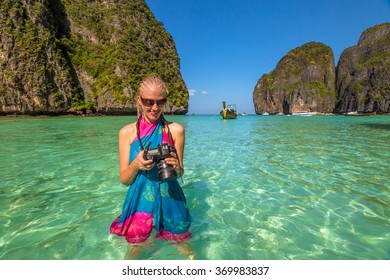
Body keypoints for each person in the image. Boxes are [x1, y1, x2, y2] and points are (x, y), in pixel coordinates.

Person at [110, 76, 192, 248]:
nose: (155, 108)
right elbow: (124, 180)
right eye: (149, 102)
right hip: (140, 201)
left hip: (170, 199)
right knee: (135, 255)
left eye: (160, 102)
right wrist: (136, 165)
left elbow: (180, 172)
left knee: (187, 252)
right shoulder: (126, 133)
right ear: (139, 101)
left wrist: (177, 168)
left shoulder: (176, 130)